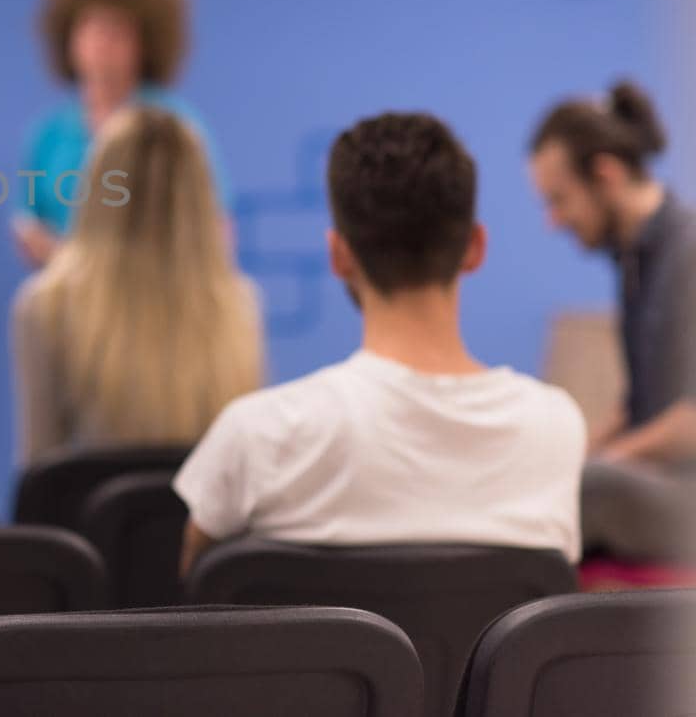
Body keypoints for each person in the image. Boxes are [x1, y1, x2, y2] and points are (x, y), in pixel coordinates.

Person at [175, 112, 586, 577]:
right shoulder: (555, 428)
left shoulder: (258, 435)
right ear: (475, 247)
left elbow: (196, 595)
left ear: (338, 255)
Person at [12, 105, 263, 464]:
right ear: (199, 197)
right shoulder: (238, 304)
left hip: (88, 520)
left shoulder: (45, 307)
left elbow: (39, 470)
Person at [528, 80, 696, 562]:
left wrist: (599, 463)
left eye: (558, 199)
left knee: (589, 487)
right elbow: (641, 404)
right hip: (666, 485)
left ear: (606, 174)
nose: (553, 220)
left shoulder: (687, 250)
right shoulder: (635, 260)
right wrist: (565, 455)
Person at [14, 0, 229, 268]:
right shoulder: (50, 133)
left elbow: (216, 228)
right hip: (71, 304)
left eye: (116, 30)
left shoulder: (174, 126)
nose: (101, 43)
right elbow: (28, 224)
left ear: (144, 43)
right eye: (90, 27)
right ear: (69, 37)